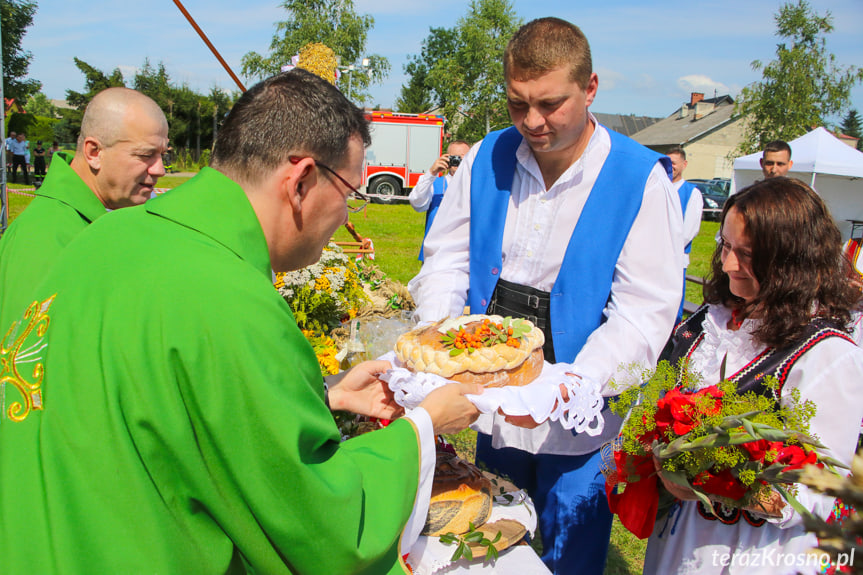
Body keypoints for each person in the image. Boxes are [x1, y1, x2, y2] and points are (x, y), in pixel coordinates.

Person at [0, 69, 483, 574]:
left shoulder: (109, 235)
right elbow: (322, 524)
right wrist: (424, 428)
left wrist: (322, 393)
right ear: (300, 181)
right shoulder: (230, 297)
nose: (345, 215)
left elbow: (164, 398)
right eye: (349, 192)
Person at [407, 17, 683, 575]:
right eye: (516, 104)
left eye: (550, 104)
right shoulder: (487, 156)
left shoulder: (638, 179)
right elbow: (447, 258)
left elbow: (644, 310)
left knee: (569, 556)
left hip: (576, 420)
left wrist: (573, 384)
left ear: (591, 88)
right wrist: (445, 345)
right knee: (485, 544)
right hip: (487, 404)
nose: (532, 122)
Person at [644, 177, 863, 575]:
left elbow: (822, 487)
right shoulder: (713, 320)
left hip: (753, 551)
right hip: (683, 533)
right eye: (725, 246)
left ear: (791, 261)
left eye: (746, 254)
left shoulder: (826, 354)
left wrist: (721, 484)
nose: (728, 264)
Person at [0, 87, 169, 322]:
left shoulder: (111, 215)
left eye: (163, 154)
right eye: (145, 155)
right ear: (94, 152)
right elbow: (27, 351)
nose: (159, 169)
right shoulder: (44, 240)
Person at [408, 139, 471, 261]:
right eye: (454, 158)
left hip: (464, 256)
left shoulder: (477, 185)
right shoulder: (435, 184)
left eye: (463, 157)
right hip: (435, 255)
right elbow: (417, 203)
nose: (458, 162)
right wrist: (432, 173)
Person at [667, 146, 704, 322]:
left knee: (672, 303)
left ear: (684, 164)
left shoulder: (692, 193)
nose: (670, 166)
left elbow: (689, 230)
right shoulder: (658, 188)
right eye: (667, 162)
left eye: (674, 162)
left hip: (674, 258)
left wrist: (664, 249)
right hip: (650, 257)